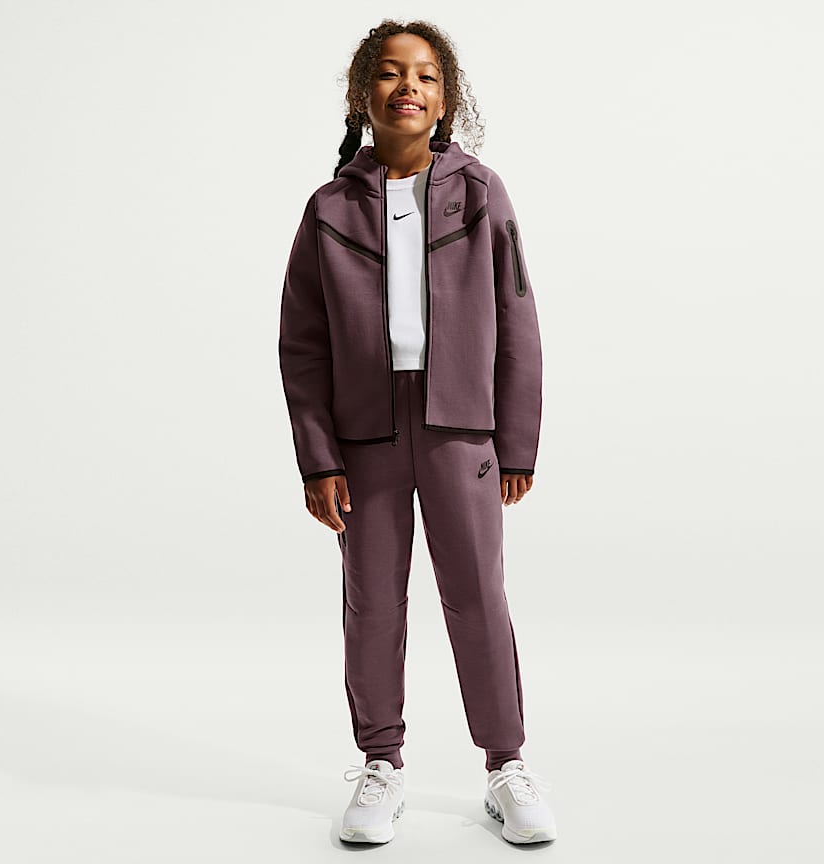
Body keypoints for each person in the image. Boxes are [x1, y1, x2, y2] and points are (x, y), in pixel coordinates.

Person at [278, 18, 558, 846]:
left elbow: (517, 319)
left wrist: (517, 440)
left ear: (445, 100)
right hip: (364, 434)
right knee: (372, 601)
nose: (410, 86)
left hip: (460, 429)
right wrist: (317, 458)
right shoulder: (329, 208)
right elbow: (302, 343)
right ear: (362, 94)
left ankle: (505, 765)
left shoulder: (481, 193)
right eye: (392, 73)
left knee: (478, 597)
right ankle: (381, 764)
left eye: (428, 76)